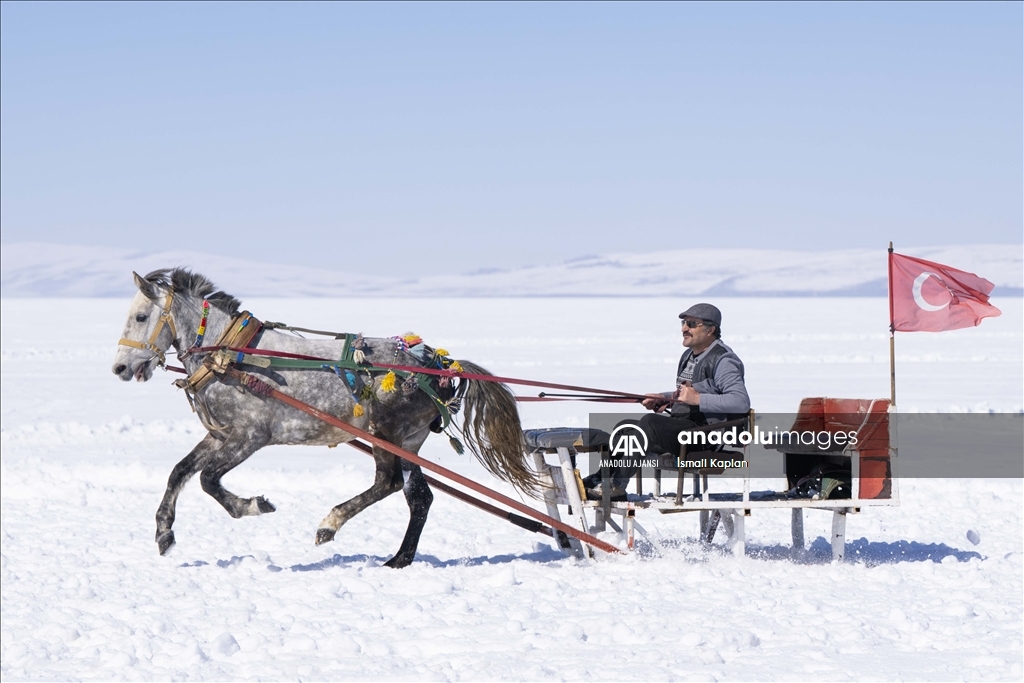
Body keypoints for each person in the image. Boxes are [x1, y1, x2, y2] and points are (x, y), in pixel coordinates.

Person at [586, 303, 750, 500]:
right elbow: (686, 392)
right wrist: (665, 398)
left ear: (710, 329)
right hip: (683, 429)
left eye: (691, 323)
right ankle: (602, 478)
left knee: (650, 423)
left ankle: (617, 486)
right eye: (683, 323)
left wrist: (697, 399)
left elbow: (740, 401)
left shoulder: (724, 360)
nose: (684, 328)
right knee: (626, 428)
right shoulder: (689, 356)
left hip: (704, 435)